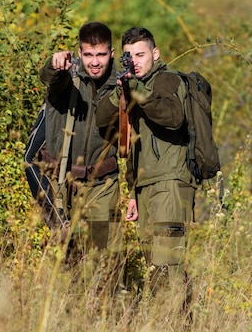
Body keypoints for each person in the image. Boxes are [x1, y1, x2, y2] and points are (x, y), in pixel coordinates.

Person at [96, 27, 196, 317]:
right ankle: (178, 319)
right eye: (128, 56)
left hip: (170, 183)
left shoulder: (167, 80)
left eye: (140, 54)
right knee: (156, 262)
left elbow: (173, 117)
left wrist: (138, 90)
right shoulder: (134, 84)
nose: (135, 61)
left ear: (155, 53)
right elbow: (104, 119)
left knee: (167, 264)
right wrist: (121, 90)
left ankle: (178, 322)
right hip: (146, 187)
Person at [24, 21, 123, 281]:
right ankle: (72, 316)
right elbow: (49, 78)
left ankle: (102, 314)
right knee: (70, 263)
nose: (94, 62)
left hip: (102, 184)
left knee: (104, 262)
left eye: (101, 54)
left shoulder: (121, 83)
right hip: (63, 183)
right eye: (88, 55)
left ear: (111, 54)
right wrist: (53, 63)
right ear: (79, 53)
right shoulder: (68, 76)